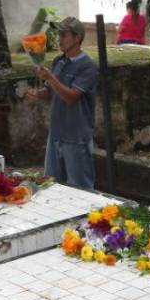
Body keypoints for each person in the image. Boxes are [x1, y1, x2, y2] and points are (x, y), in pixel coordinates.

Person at [28, 16, 99, 188]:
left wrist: (50, 77)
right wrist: (38, 94)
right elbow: (51, 93)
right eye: (58, 35)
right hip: (56, 133)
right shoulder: (58, 61)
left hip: (76, 136)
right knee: (51, 186)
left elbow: (71, 97)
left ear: (77, 38)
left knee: (80, 189)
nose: (59, 39)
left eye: (64, 35)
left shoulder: (87, 67)